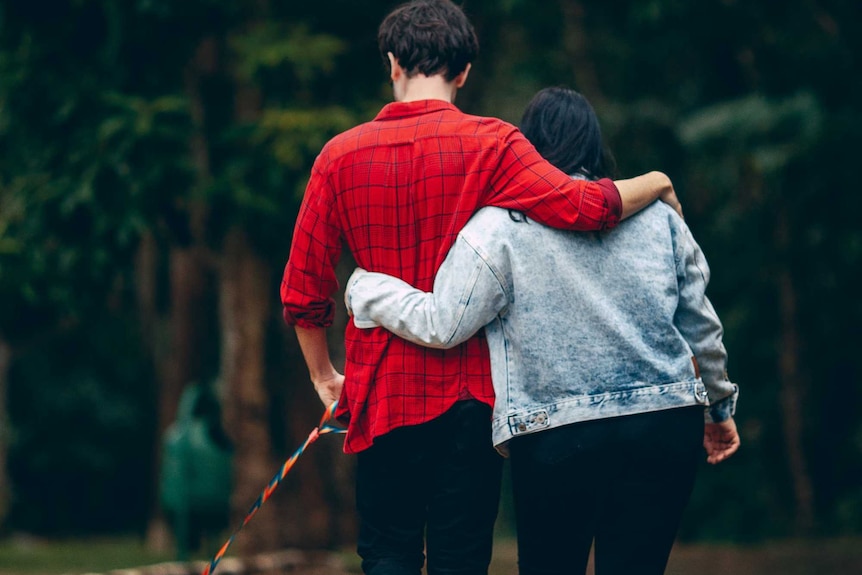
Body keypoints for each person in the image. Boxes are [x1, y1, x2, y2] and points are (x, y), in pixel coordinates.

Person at [280, 0, 682, 572]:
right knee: (461, 554)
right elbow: (585, 207)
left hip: (380, 395)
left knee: (386, 549)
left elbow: (304, 288)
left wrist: (325, 376)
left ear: (393, 63)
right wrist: (659, 180)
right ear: (464, 71)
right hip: (471, 400)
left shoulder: (337, 156)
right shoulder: (496, 144)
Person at [345, 87, 740, 575]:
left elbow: (443, 323)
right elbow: (702, 327)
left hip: (556, 438)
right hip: (663, 422)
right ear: (597, 147)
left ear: (525, 148)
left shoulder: (498, 226)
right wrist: (718, 409)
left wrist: (367, 290)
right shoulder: (660, 217)